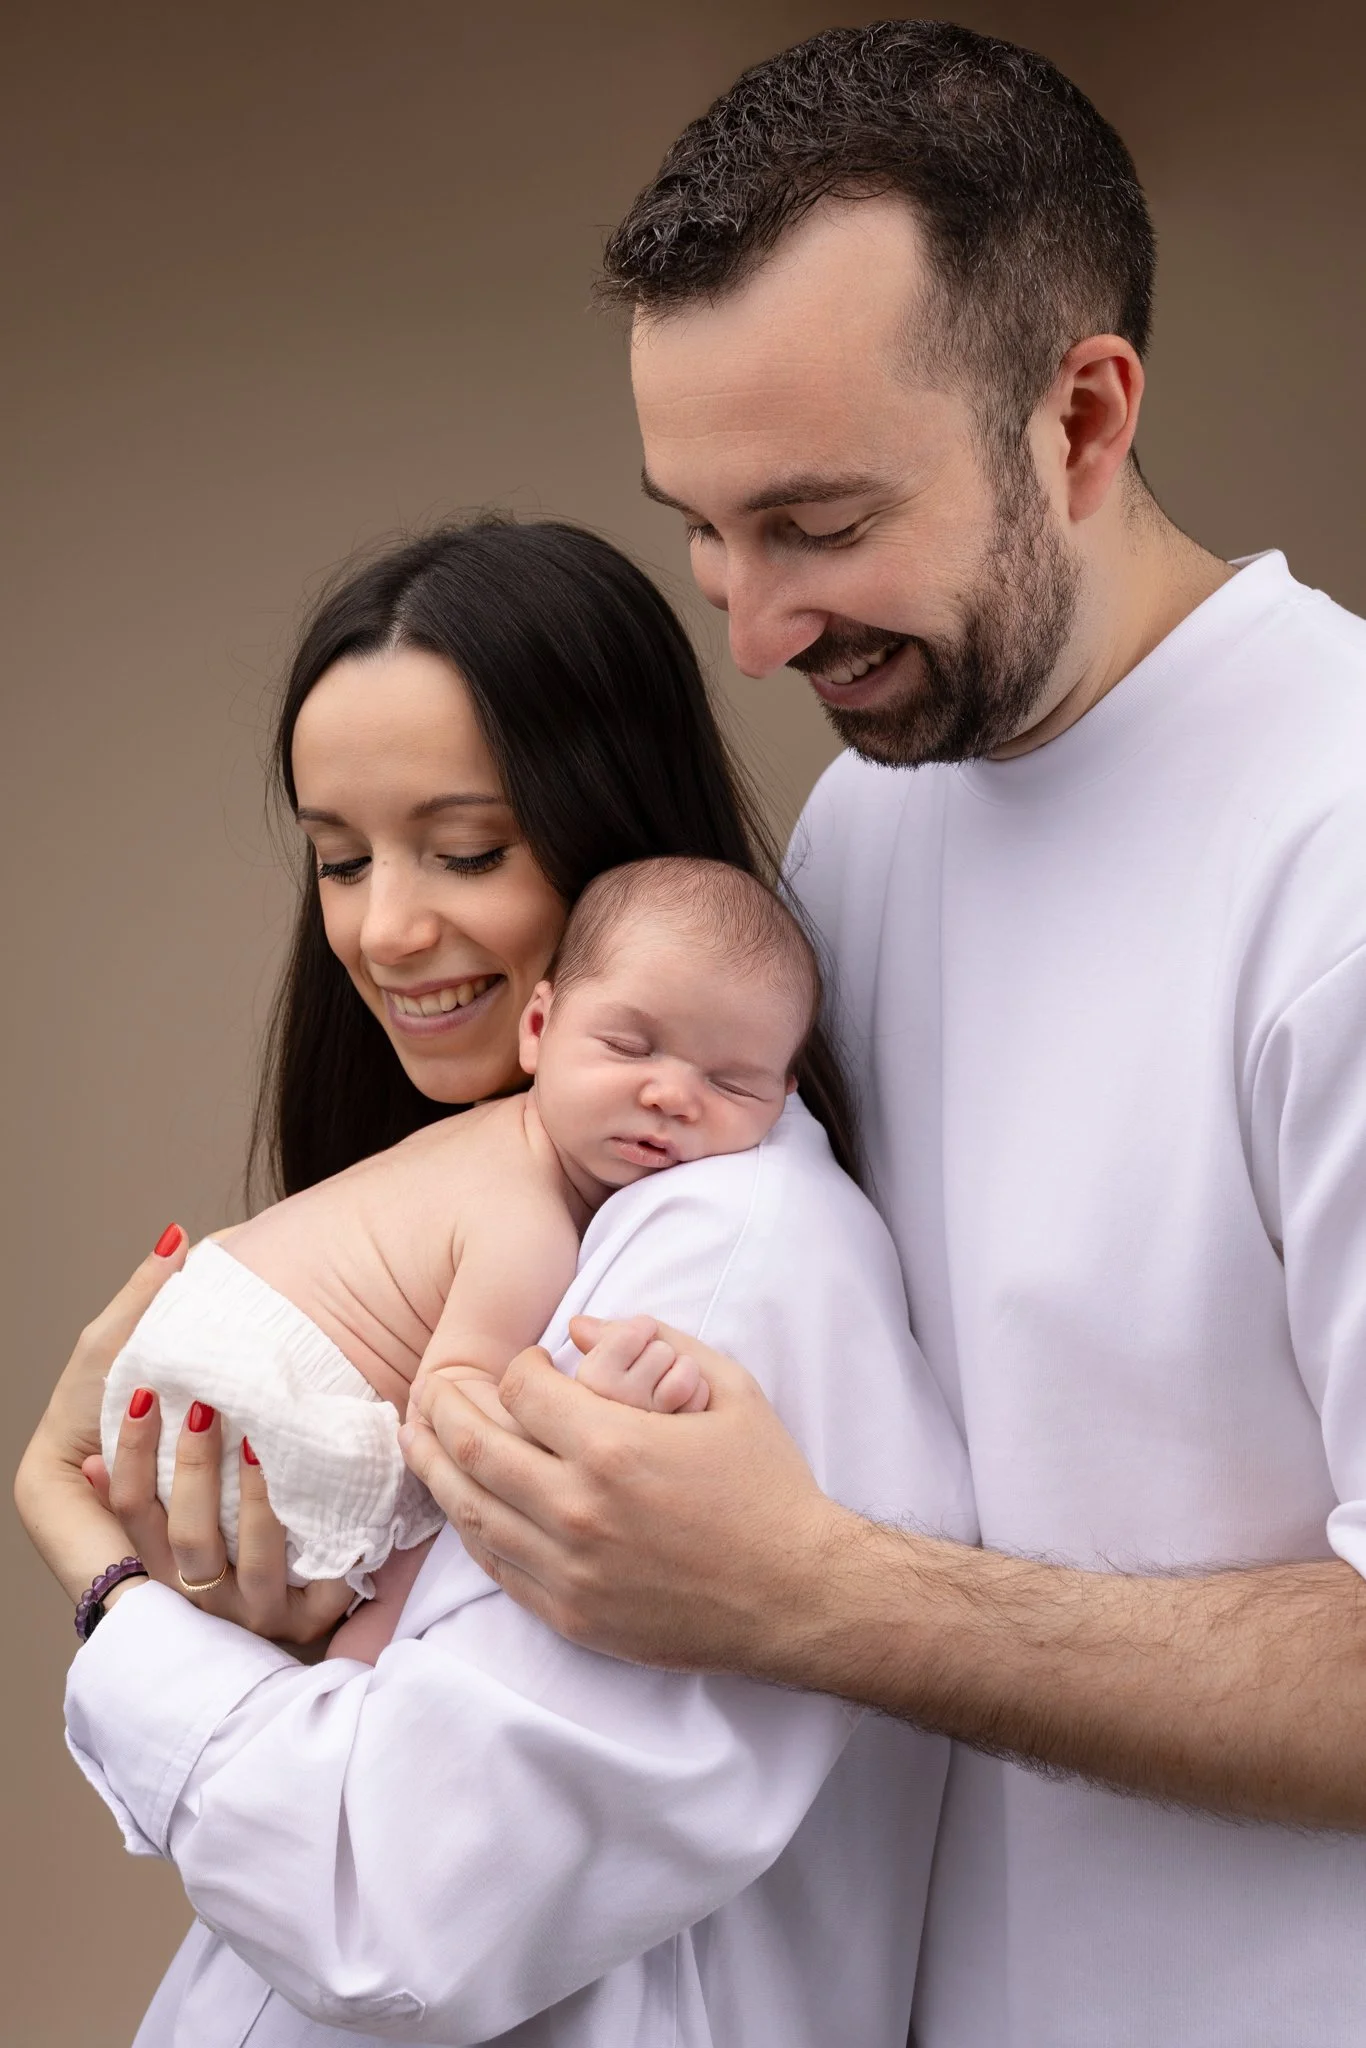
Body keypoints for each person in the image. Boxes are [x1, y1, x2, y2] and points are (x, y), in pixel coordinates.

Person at [396, 24, 1366, 2044]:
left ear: (1078, 417)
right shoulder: (865, 818)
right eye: (700, 524)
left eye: (818, 524)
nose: (746, 628)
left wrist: (807, 1592)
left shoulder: (1333, 848)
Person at [16, 516, 972, 2045]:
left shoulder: (709, 1259)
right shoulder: (513, 1195)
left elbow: (393, 1903)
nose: (385, 928)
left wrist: (99, 1568)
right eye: (338, 858)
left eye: (464, 850)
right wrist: (274, 1628)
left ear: (617, 843)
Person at [98, 857, 816, 1637]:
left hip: (193, 1375)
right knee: (447, 1508)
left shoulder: (493, 1140)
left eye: (732, 1083)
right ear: (538, 1029)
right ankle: (362, 1675)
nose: (672, 1096)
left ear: (787, 1100)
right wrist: (592, 1400)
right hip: (255, 1411)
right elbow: (454, 1424)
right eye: (630, 1047)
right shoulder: (526, 1223)